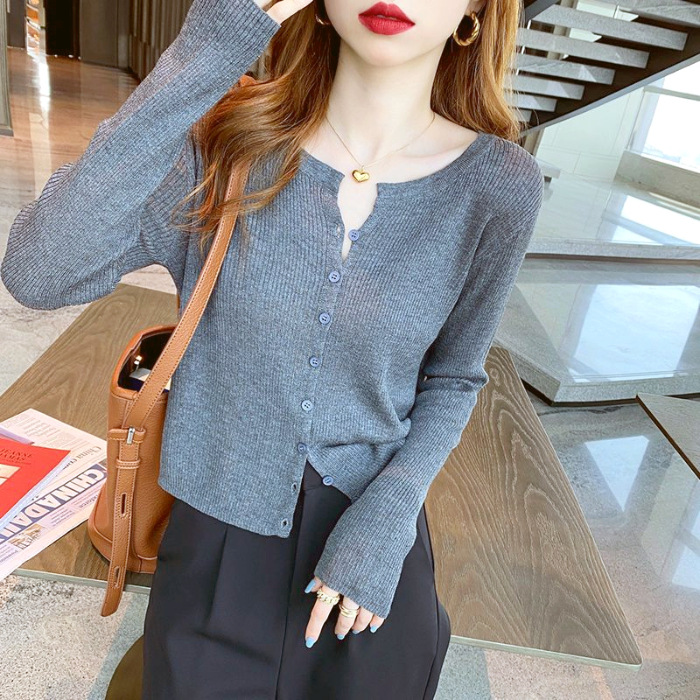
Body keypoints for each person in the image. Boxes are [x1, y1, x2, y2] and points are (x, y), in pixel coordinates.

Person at [1, 0, 544, 697]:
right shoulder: (228, 144)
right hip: (213, 548)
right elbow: (40, 270)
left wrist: (390, 513)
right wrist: (206, 52)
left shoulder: (499, 186)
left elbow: (455, 376)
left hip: (369, 555)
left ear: (476, 8)